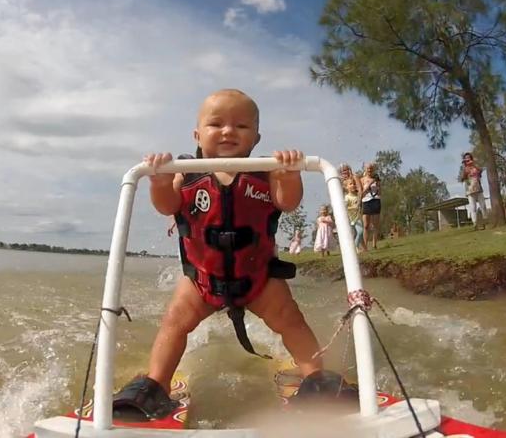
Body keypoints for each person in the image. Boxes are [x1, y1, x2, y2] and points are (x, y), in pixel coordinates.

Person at [113, 89, 355, 418]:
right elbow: (167, 206)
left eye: (241, 126)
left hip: (258, 279)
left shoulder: (267, 169)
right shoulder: (185, 171)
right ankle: (156, 384)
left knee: (292, 322)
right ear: (197, 134)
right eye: (216, 124)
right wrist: (159, 183)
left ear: (256, 136)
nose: (228, 131)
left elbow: (287, 202)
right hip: (201, 280)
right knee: (174, 323)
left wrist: (290, 175)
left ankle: (315, 375)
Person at [458, 152, 488, 230]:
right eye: (466, 158)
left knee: (483, 206)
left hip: (478, 189)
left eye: (469, 158)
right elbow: (461, 178)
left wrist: (473, 165)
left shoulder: (475, 167)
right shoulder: (464, 168)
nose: (468, 159)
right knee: (473, 208)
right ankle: (475, 224)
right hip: (470, 191)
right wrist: (465, 169)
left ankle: (485, 222)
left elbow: (480, 171)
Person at [360, 163, 381, 249]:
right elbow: (361, 193)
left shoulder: (377, 179)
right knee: (366, 225)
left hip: (375, 200)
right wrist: (369, 184)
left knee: (375, 224)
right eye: (368, 168)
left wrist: (377, 187)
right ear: (365, 169)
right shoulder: (362, 180)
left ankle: (374, 244)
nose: (369, 170)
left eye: (371, 168)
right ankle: (365, 245)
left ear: (373, 169)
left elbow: (380, 191)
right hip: (366, 201)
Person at [345, 180, 366, 253]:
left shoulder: (357, 196)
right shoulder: (347, 197)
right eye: (351, 184)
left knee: (360, 232)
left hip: (357, 217)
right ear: (347, 187)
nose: (353, 185)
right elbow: (345, 208)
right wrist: (354, 207)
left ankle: (355, 246)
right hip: (350, 218)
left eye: (354, 183)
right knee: (353, 234)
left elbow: (359, 206)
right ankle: (356, 249)